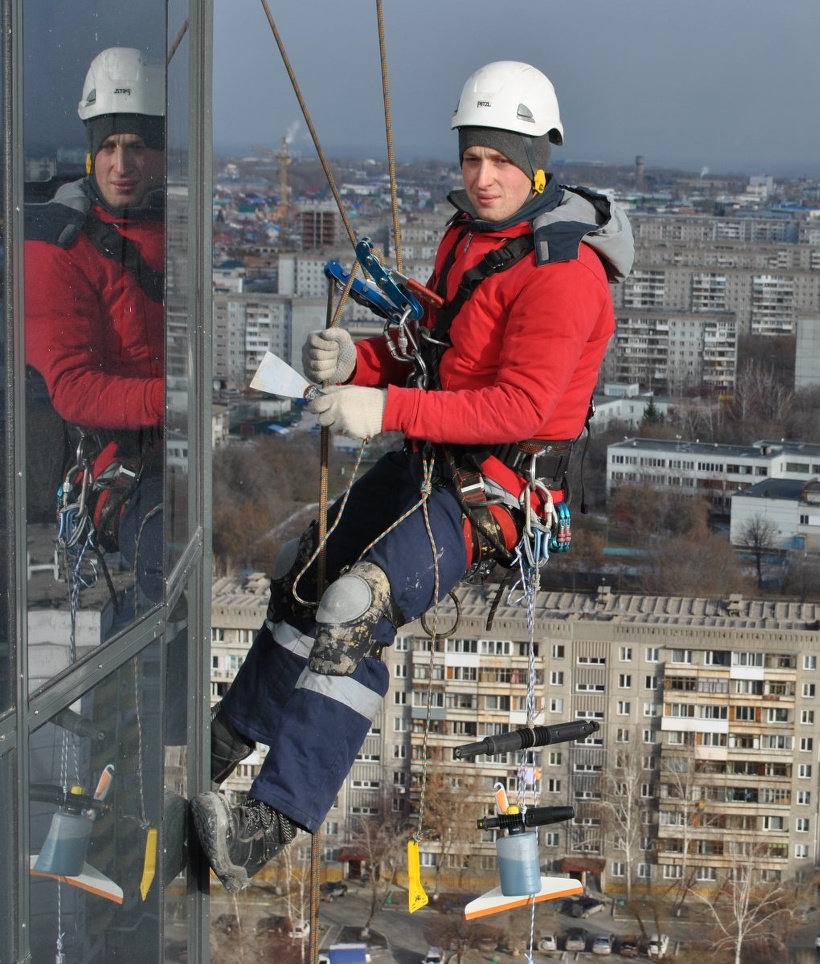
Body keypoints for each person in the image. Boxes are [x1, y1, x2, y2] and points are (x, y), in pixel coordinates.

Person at [192, 60, 633, 892]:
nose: (483, 175)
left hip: (488, 495)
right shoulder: (472, 235)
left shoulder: (563, 273)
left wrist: (383, 407)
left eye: (501, 159)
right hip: (432, 455)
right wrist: (357, 359)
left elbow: (516, 409)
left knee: (356, 611)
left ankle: (267, 823)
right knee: (308, 580)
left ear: (539, 161)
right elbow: (440, 345)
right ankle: (225, 743)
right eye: (473, 157)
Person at [25, 47, 167, 607]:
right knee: (168, 560)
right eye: (107, 147)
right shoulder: (59, 244)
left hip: (166, 442)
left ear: (160, 153)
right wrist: (177, 401)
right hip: (113, 461)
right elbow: (74, 388)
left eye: (136, 147)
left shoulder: (171, 223)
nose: (120, 164)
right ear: (90, 153)